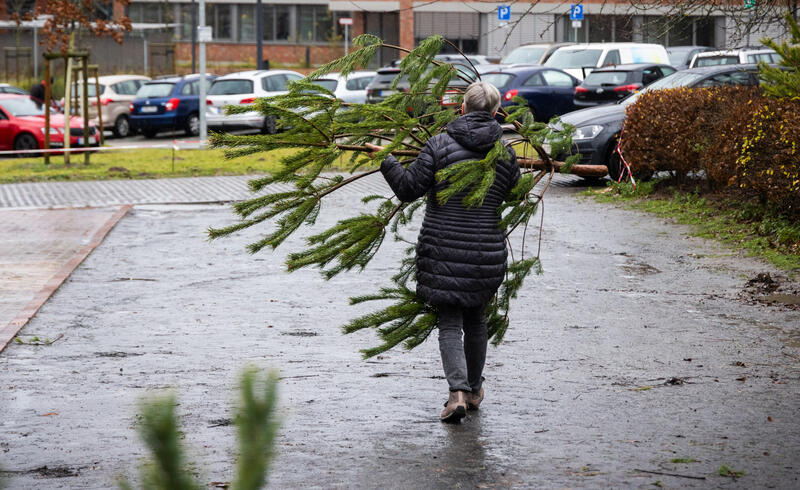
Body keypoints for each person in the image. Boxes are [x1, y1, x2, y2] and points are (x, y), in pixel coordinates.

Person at [366, 81, 521, 422]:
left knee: (450, 322)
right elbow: (513, 192)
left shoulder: (438, 144)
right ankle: (475, 389)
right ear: (495, 113)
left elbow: (408, 189)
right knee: (477, 319)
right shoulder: (505, 151)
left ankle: (457, 394)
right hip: (487, 250)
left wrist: (385, 158)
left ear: (462, 108)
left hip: (442, 249)